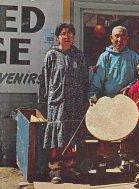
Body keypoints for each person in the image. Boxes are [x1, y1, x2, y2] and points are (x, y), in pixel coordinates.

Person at [38, 23, 89, 184]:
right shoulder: (52, 55)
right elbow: (44, 80)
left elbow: (84, 79)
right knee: (55, 138)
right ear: (58, 37)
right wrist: (44, 102)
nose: (67, 36)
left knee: (70, 137)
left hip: (75, 104)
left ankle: (69, 167)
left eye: (70, 33)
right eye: (63, 33)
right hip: (56, 103)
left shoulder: (78, 56)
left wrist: (85, 99)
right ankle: (55, 170)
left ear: (73, 36)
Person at [88, 26, 139, 174]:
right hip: (108, 102)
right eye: (116, 36)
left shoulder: (134, 57)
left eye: (123, 37)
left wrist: (130, 87)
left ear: (127, 39)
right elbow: (97, 79)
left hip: (127, 102)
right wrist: (93, 95)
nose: (119, 40)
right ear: (111, 38)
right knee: (104, 133)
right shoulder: (105, 56)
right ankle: (102, 162)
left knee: (127, 133)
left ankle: (126, 161)